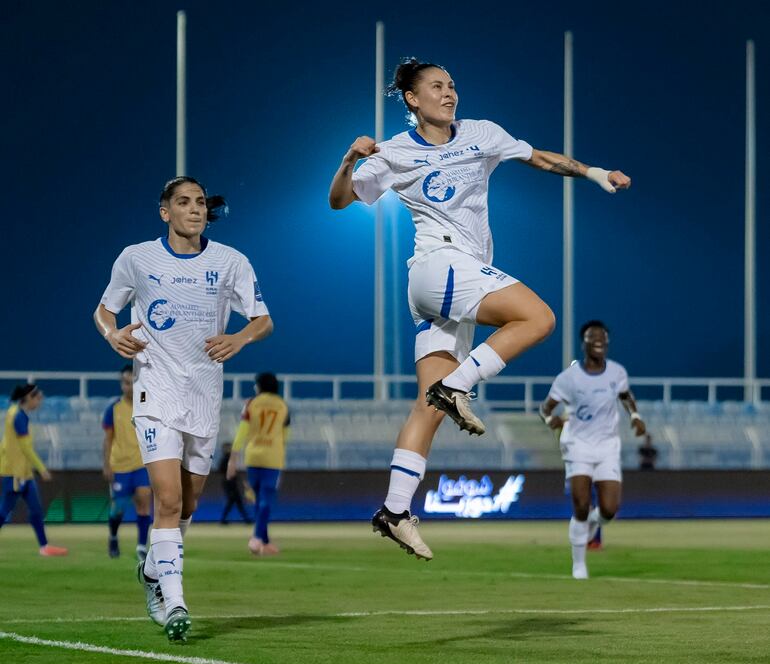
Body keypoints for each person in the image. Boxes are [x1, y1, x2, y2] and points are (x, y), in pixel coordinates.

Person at [328, 58, 631, 559]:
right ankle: (457, 386)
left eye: (452, 86)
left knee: (426, 408)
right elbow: (341, 200)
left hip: (445, 285)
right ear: (412, 98)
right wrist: (348, 160)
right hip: (439, 266)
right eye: (436, 87)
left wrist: (593, 172)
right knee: (539, 317)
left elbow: (538, 158)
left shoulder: (481, 133)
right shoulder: (393, 151)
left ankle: (395, 510)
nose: (449, 94)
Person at [94, 176, 273, 641]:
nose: (194, 209)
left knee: (188, 502)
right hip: (155, 393)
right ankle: (172, 601)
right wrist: (113, 335)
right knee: (168, 499)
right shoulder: (137, 258)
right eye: (183, 202)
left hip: (204, 397)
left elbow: (264, 319)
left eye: (199, 202)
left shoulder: (231, 262)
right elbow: (104, 311)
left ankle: (154, 569)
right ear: (165, 212)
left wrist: (239, 337)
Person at [540, 320, 645, 579]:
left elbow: (625, 395)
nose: (598, 341)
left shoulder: (617, 373)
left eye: (602, 337)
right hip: (578, 445)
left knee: (609, 509)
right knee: (581, 503)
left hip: (608, 446)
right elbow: (546, 408)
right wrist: (550, 420)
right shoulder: (569, 378)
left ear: (607, 343)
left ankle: (595, 522)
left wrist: (635, 416)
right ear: (584, 342)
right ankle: (579, 565)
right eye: (592, 337)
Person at [0, 384, 67, 556]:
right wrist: (42, 469)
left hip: (23, 473)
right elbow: (25, 448)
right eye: (38, 398)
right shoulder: (18, 417)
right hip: (15, 473)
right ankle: (44, 546)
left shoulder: (15, 413)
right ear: (29, 398)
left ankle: (44, 547)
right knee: (4, 511)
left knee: (36, 510)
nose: (39, 402)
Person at [227, 372, 290, 556]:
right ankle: (256, 539)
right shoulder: (282, 406)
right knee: (266, 500)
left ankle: (265, 541)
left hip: (253, 456)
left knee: (257, 500)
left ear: (260, 385)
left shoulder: (251, 403)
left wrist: (233, 458)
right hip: (273, 457)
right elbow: (285, 436)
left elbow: (242, 432)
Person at [102, 364, 153, 559]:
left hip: (141, 465)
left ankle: (141, 546)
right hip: (120, 466)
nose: (129, 387)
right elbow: (107, 439)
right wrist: (106, 465)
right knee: (118, 508)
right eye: (125, 383)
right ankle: (113, 536)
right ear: (121, 384)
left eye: (132, 382)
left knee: (143, 502)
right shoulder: (113, 409)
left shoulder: (147, 405)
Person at [217, 442, 251, 524]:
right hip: (229, 483)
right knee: (234, 501)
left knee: (236, 501)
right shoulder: (226, 459)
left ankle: (245, 519)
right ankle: (224, 519)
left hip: (231, 482)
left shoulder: (228, 459)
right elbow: (223, 470)